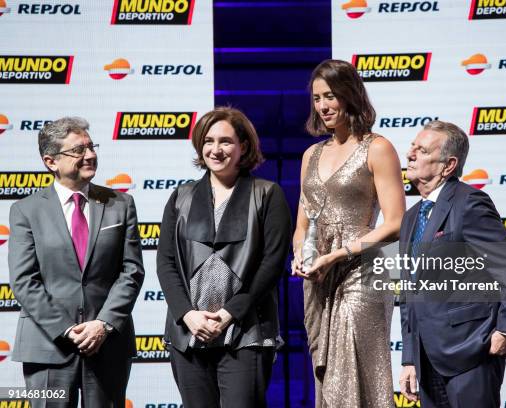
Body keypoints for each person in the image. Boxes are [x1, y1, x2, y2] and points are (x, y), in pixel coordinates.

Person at [156, 107, 292, 408]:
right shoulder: (181, 196)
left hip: (246, 332)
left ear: (243, 146)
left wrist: (229, 313)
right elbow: (165, 263)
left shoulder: (267, 194)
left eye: (226, 141)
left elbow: (272, 264)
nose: (215, 150)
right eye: (208, 140)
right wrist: (187, 315)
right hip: (188, 333)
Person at [8, 117, 145, 407]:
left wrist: (103, 324)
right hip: (47, 346)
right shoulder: (25, 210)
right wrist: (67, 330)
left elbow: (131, 271)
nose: (91, 155)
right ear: (51, 161)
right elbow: (24, 281)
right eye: (78, 150)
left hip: (107, 345)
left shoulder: (120, 204)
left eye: (91, 146)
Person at [292, 59, 406, 407]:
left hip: (363, 273)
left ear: (350, 95)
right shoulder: (311, 154)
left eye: (330, 96)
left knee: (355, 364)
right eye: (316, 98)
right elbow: (302, 225)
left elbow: (396, 221)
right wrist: (301, 255)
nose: (323, 106)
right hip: (319, 277)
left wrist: (340, 253)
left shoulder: (378, 147)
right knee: (326, 371)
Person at [398, 120, 506, 408]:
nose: (410, 154)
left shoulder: (469, 203)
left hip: (471, 349)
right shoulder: (410, 217)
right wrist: (409, 358)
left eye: (421, 150)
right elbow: (409, 294)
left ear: (448, 165)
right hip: (427, 359)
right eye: (412, 147)